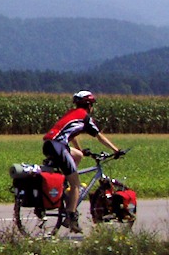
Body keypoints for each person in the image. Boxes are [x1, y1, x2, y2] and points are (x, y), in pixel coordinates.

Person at [42, 90, 121, 233]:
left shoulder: (71, 114)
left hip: (49, 145)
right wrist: (116, 150)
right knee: (76, 184)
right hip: (59, 146)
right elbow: (99, 136)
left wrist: (80, 150)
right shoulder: (84, 117)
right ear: (89, 105)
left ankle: (65, 187)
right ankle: (71, 219)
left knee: (77, 155)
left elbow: (71, 135)